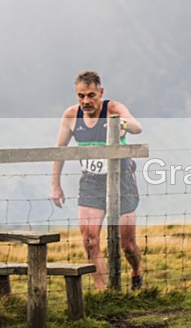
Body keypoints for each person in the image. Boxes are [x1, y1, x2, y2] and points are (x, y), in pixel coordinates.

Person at [50, 71, 144, 291]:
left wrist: (121, 124)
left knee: (127, 245)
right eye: (81, 96)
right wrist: (55, 185)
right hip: (91, 182)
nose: (86, 101)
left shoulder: (113, 109)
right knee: (90, 241)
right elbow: (59, 150)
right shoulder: (71, 116)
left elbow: (137, 127)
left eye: (91, 95)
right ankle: (104, 293)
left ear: (100, 92)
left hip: (121, 179)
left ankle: (136, 271)